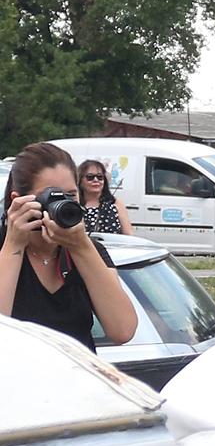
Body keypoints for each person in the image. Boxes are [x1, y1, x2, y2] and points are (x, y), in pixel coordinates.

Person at [1, 142, 136, 351]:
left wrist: (80, 246)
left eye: (71, 195)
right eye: (50, 196)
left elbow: (123, 330)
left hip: (77, 372)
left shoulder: (87, 249)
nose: (62, 204)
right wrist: (14, 245)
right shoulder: (5, 247)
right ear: (18, 201)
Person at [77, 158, 134, 235]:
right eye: (90, 177)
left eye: (100, 177)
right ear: (80, 181)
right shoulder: (75, 205)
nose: (96, 180)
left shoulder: (116, 203)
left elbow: (128, 233)